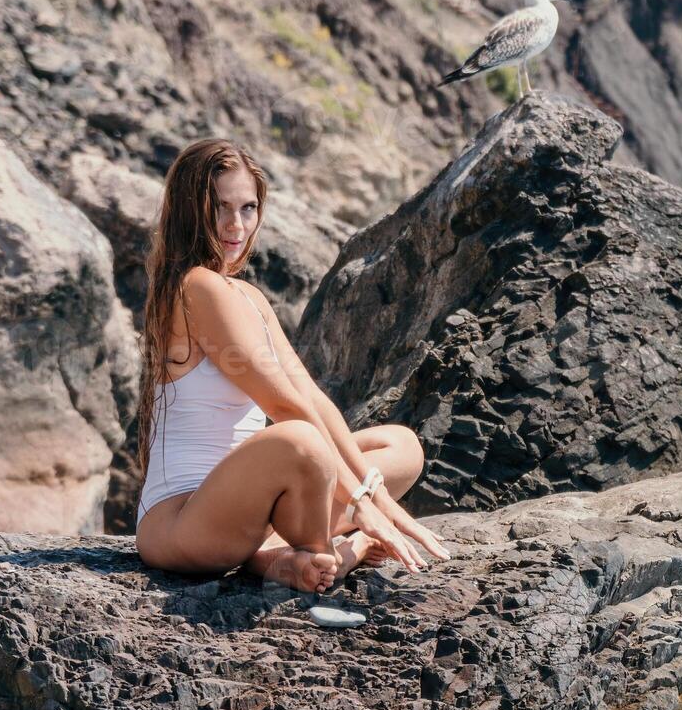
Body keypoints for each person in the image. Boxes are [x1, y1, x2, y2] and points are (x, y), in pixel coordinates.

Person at [133, 139, 450, 593]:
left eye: (248, 207)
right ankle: (336, 552)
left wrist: (377, 497)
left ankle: (275, 557)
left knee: (399, 445)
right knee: (300, 440)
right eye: (219, 207)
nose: (235, 225)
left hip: (247, 510)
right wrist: (360, 503)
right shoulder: (196, 287)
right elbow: (284, 407)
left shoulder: (247, 296)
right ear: (189, 210)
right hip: (182, 522)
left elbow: (311, 397)